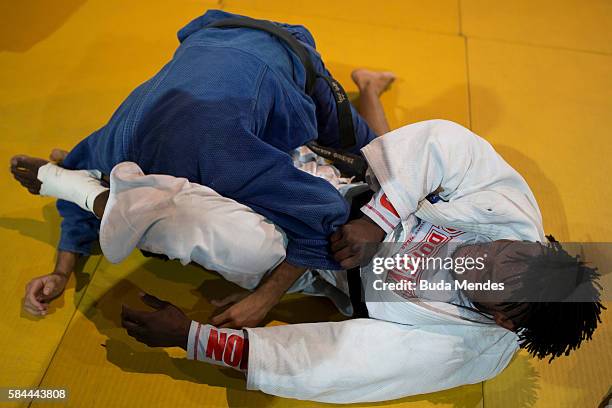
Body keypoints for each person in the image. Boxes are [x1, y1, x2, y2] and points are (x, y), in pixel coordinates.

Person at [12, 93, 603, 402]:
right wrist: (380, 216)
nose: (499, 256)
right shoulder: (517, 221)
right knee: (250, 134)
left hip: (315, 270)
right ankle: (107, 172)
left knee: (212, 232)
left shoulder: (461, 350)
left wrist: (192, 339)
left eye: (502, 277)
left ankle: (87, 193)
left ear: (502, 317)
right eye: (518, 253)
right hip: (352, 188)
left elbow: (329, 363)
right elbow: (448, 145)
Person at [10, 9, 396, 326]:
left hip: (292, 55)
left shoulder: (229, 160)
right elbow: (72, 184)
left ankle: (369, 86)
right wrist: (61, 272)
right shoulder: (117, 143)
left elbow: (321, 211)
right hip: (209, 36)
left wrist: (265, 299)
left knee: (379, 161)